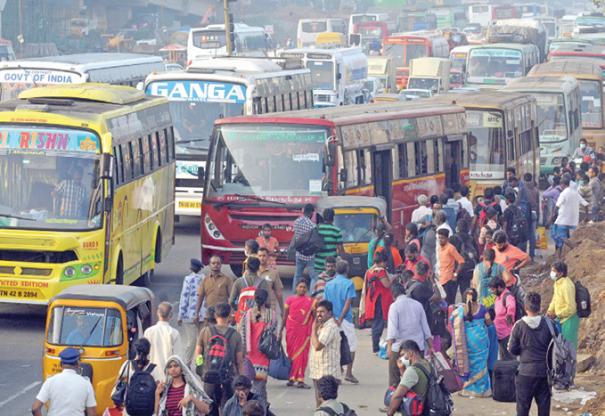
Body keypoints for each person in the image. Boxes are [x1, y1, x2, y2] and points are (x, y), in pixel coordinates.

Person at [508, 292, 554, 416]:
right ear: (539, 307)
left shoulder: (519, 326)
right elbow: (555, 347)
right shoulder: (549, 324)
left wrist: (521, 351)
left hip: (525, 372)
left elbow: (512, 349)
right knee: (544, 407)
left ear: (525, 307)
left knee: (523, 407)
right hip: (544, 372)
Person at [195, 303, 244, 415]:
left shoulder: (205, 331)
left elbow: (198, 354)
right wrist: (241, 380)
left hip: (209, 376)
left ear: (215, 315)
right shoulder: (235, 334)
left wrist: (200, 369)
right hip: (228, 377)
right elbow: (239, 361)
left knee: (209, 408)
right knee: (227, 408)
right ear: (229, 316)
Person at [386, 282, 433, 386]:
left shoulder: (394, 306)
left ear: (393, 295)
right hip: (417, 349)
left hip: (399, 349)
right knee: (418, 378)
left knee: (395, 380)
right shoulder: (418, 305)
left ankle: (396, 399)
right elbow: (426, 329)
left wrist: (389, 347)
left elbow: (392, 331)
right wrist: (431, 347)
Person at [450, 288, 492, 398]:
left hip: (467, 340)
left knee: (470, 363)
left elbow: (451, 321)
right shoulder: (482, 308)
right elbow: (489, 322)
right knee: (481, 363)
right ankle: (482, 390)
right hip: (480, 339)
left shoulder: (460, 310)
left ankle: (469, 388)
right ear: (476, 296)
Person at [32, 347, 97, 416]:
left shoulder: (50, 381)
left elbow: (35, 408)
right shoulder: (86, 384)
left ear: (60, 364)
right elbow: (92, 413)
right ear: (78, 364)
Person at [323, 260, 358, 384]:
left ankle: (336, 374)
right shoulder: (349, 283)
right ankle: (348, 372)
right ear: (347, 270)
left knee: (334, 346)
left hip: (331, 318)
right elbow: (348, 303)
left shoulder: (328, 284)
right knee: (351, 346)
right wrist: (341, 319)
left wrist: (332, 318)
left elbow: (325, 304)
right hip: (345, 320)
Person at [239, 288, 277, 400]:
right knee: (260, 385)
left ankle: (258, 406)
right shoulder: (272, 315)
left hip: (249, 354)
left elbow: (241, 332)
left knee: (247, 384)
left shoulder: (247, 314)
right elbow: (274, 334)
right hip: (263, 355)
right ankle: (261, 406)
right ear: (266, 300)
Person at [112, 338, 163, 416]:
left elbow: (117, 384)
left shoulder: (128, 365)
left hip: (130, 410)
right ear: (148, 351)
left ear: (135, 349)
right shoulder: (154, 368)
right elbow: (160, 390)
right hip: (148, 411)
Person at [282, 277, 315, 389]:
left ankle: (300, 379)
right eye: (300, 287)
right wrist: (281, 330)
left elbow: (314, 317)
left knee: (302, 355)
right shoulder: (289, 300)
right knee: (291, 353)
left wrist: (315, 331)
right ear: (296, 288)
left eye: (304, 287)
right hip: (291, 331)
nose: (302, 289)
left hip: (304, 333)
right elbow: (285, 316)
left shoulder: (311, 301)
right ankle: (291, 378)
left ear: (307, 289)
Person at [386, 340, 433, 416]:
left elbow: (398, 396)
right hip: (428, 407)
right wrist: (402, 369)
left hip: (416, 410)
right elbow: (411, 381)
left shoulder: (412, 370)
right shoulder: (426, 363)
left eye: (403, 355)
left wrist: (389, 413)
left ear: (410, 353)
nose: (401, 358)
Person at [309, 300, 342, 407]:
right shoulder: (322, 325)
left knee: (326, 403)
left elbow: (318, 346)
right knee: (319, 400)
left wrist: (313, 331)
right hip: (318, 369)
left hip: (327, 372)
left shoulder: (330, 327)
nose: (319, 314)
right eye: (318, 312)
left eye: (322, 312)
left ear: (330, 313)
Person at [362, 251, 393, 353]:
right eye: (385, 263)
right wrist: (394, 278)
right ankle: (376, 347)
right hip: (380, 299)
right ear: (382, 262)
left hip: (373, 299)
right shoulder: (380, 271)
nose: (386, 265)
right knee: (378, 324)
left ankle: (375, 346)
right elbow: (386, 285)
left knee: (376, 323)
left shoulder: (369, 271)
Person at [178, 258, 205, 368]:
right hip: (203, 316)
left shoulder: (188, 279)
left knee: (191, 342)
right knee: (201, 342)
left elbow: (184, 297)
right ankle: (199, 364)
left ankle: (186, 364)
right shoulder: (205, 279)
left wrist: (180, 315)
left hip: (189, 315)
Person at [553, 174, 588, 258]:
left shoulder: (563, 193)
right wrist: (587, 216)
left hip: (562, 221)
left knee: (558, 237)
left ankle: (569, 249)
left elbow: (557, 206)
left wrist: (552, 217)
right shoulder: (575, 193)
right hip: (573, 222)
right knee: (569, 238)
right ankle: (568, 255)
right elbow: (586, 204)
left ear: (563, 184)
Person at [547, 261, 579, 350]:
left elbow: (571, 308)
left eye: (554, 271)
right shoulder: (558, 283)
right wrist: (550, 310)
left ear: (560, 273)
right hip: (561, 319)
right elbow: (555, 298)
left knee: (568, 348)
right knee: (561, 347)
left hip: (569, 320)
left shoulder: (566, 285)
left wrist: (557, 314)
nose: (551, 273)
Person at [144, 302, 183, 371]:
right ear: (171, 315)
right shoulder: (174, 333)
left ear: (158, 313)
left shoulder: (148, 332)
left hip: (151, 375)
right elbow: (178, 358)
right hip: (168, 375)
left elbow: (145, 355)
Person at [195, 255, 233, 322]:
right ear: (209, 265)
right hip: (209, 315)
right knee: (209, 331)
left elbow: (231, 298)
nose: (216, 265)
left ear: (221, 265)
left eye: (218, 263)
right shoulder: (205, 280)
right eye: (213, 263)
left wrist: (231, 313)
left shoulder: (227, 279)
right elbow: (200, 297)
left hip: (222, 315)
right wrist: (196, 313)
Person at [488, 278, 515, 360]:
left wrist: (509, 314)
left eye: (493, 289)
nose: (492, 291)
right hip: (499, 333)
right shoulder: (497, 296)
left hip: (506, 334)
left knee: (509, 357)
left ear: (499, 287)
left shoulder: (508, 296)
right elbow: (485, 303)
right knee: (503, 356)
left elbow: (511, 306)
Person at [436, 228, 465, 305]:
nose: (440, 240)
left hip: (449, 280)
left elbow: (461, 261)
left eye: (442, 238)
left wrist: (455, 274)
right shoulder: (439, 248)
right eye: (439, 238)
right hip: (441, 279)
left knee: (449, 303)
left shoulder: (451, 248)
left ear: (447, 238)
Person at [315, 208, 344, 274]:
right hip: (331, 267)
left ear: (323, 217)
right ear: (333, 218)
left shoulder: (317, 228)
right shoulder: (336, 230)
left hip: (318, 265)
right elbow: (341, 250)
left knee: (318, 283)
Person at [258, 247, 285, 319]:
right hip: (255, 309)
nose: (262, 258)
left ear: (268, 257)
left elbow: (279, 293)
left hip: (269, 308)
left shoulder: (273, 272)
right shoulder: (252, 271)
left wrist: (283, 310)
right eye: (260, 256)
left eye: (264, 256)